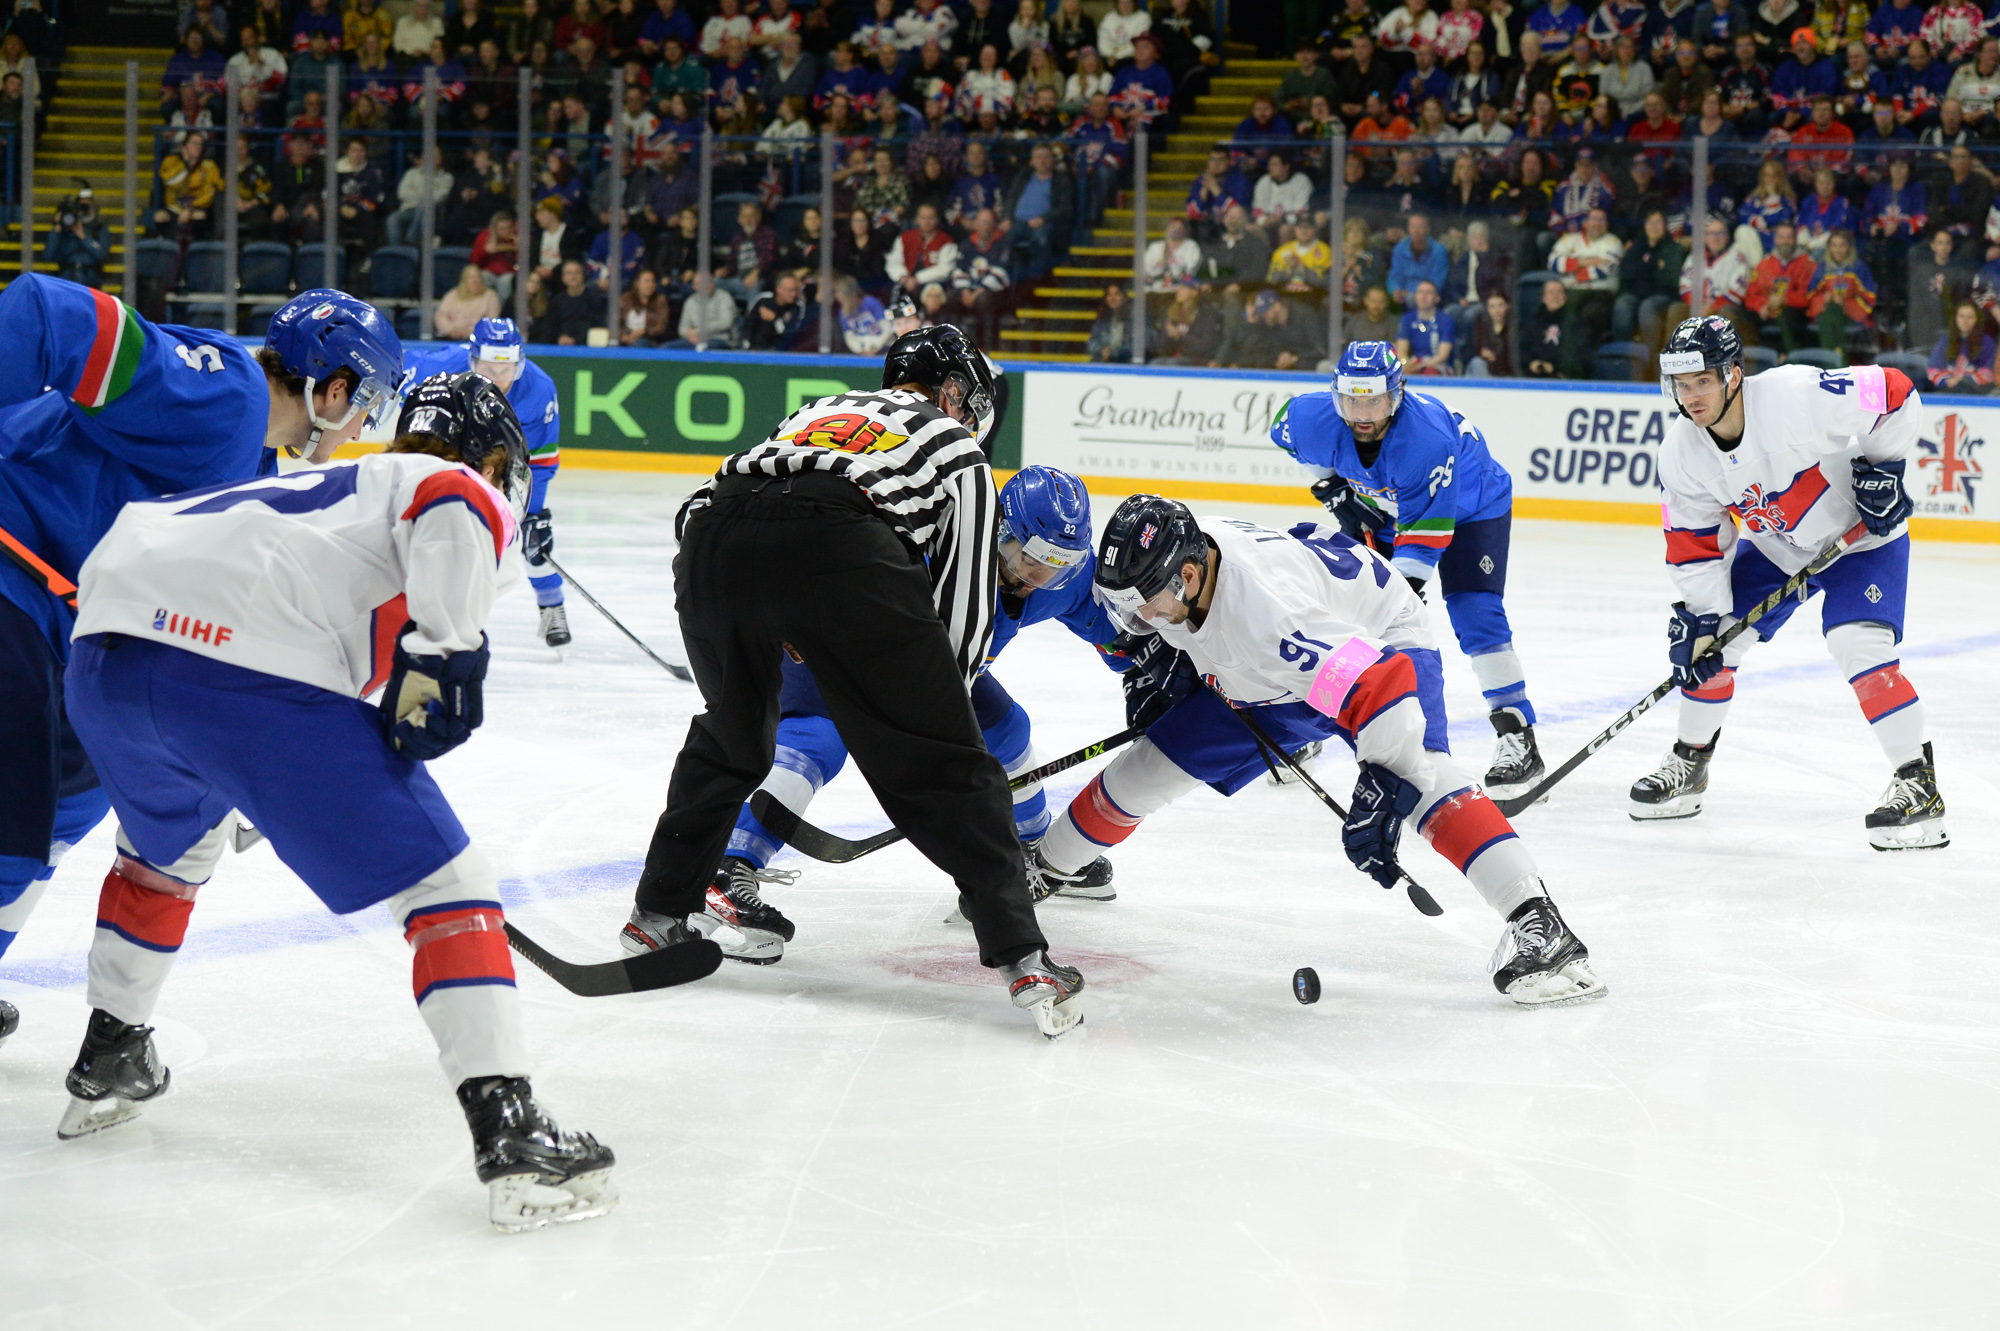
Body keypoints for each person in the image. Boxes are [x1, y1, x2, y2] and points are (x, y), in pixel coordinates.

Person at [56, 371, 619, 1232]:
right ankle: (510, 1131)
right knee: (447, 881)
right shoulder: (453, 482)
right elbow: (447, 501)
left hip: (105, 661)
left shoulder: (326, 489)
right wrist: (443, 656)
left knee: (166, 854)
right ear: (500, 457)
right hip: (239, 674)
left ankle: (111, 1051)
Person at [618, 326, 1085, 1038]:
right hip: (838, 549)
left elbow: (710, 502)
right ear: (957, 393)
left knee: (732, 735)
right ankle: (1026, 960)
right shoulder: (957, 448)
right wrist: (935, 731)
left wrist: (782, 613)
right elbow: (959, 620)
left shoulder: (822, 406)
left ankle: (656, 913)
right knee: (953, 770)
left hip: (713, 542)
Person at [0, 282, 404, 1051]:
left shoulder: (250, 465)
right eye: (365, 406)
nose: (360, 429)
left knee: (78, 784)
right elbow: (50, 318)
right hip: (11, 582)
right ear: (336, 387)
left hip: (50, 621)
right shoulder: (228, 397)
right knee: (10, 825)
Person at [1028, 492, 1606, 1008]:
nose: (1137, 620)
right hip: (1271, 667)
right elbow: (1162, 616)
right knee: (1147, 769)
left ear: (1187, 575)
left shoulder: (1267, 620)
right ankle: (1043, 869)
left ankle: (1541, 923)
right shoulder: (1175, 562)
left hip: (1379, 642)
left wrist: (1383, 781)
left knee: (1423, 782)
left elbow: (1378, 683)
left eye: (1146, 604)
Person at [711, 465, 1128, 959]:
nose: (1040, 579)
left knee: (1007, 729)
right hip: (838, 640)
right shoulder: (932, 546)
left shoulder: (1061, 580)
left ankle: (1040, 853)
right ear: (1000, 532)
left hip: (935, 665)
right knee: (818, 738)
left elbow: (1117, 630)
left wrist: (1157, 669)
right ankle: (730, 867)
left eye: (1059, 565)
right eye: (1031, 561)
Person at [1634, 316, 1945, 850]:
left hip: (1861, 537)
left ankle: (1919, 785)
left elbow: (1894, 392)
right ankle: (1691, 762)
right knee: (1719, 638)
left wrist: (1884, 467)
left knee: (1858, 645)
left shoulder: (1792, 395)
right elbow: (1694, 542)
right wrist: (1702, 616)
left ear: (1733, 375)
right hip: (1779, 547)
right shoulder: (1681, 451)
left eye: (1702, 381)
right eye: (1682, 386)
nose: (1691, 398)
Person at [1273, 342, 1549, 795]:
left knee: (1473, 611)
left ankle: (1517, 734)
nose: (1362, 414)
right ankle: (1312, 727)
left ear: (1396, 396)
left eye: (1375, 401)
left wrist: (1385, 600)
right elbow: (1302, 442)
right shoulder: (1312, 416)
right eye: (1352, 400)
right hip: (1395, 506)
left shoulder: (1426, 440)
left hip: (1472, 506)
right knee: (1341, 615)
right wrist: (1334, 488)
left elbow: (1423, 544)